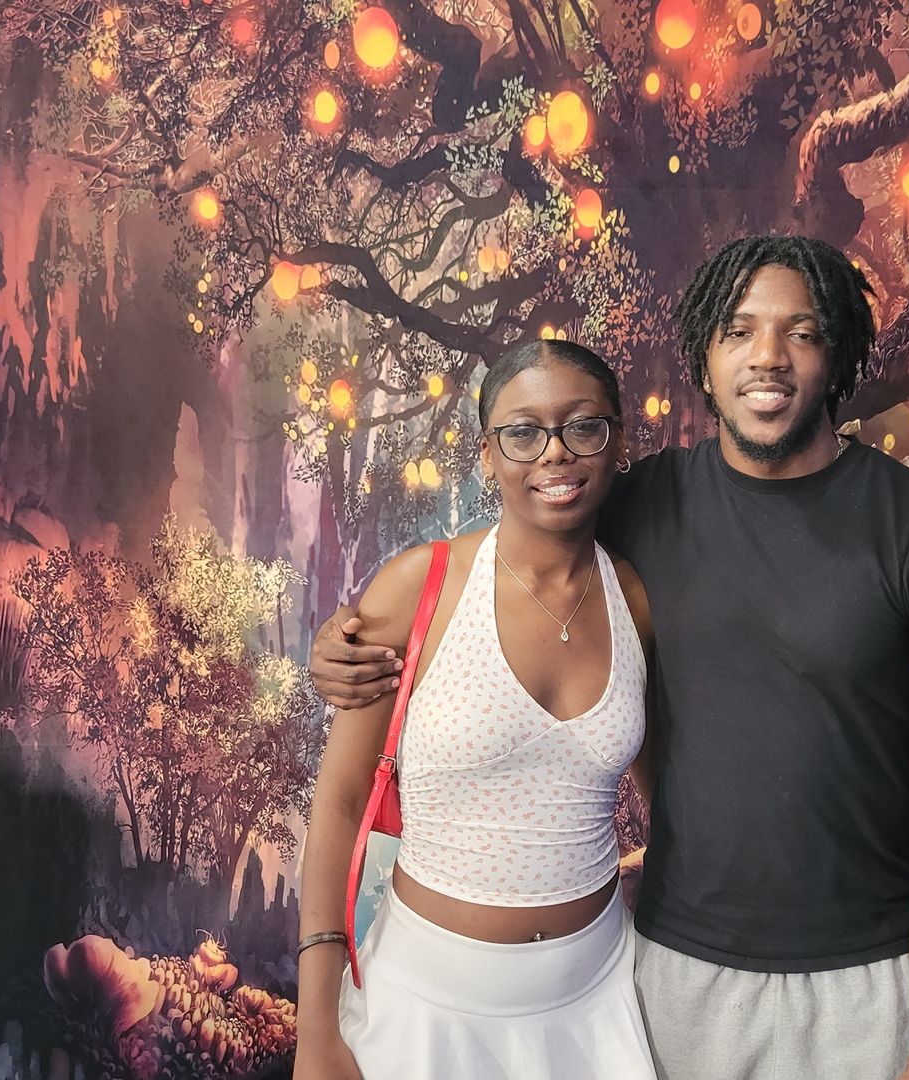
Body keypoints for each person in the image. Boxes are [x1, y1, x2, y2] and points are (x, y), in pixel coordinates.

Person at [312, 235, 909, 1080]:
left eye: (801, 332)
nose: (767, 356)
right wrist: (347, 642)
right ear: (702, 359)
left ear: (835, 354)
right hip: (673, 975)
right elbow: (508, 550)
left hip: (870, 976)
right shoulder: (639, 505)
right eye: (738, 330)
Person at [291, 338, 657, 1080]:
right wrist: (315, 1029)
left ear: (618, 443)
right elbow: (339, 802)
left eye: (583, 426)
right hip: (427, 1013)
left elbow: (668, 798)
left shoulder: (637, 597)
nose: (555, 452)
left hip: (598, 1003)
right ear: (487, 456)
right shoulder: (417, 588)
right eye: (522, 432)